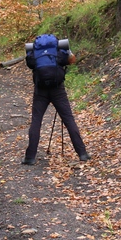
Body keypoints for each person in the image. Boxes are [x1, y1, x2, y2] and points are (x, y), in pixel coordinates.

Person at [22, 34, 90, 165]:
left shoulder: (35, 51)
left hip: (40, 91)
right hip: (58, 90)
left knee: (36, 121)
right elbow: (71, 60)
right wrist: (68, 51)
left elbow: (30, 64)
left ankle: (30, 157)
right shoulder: (58, 50)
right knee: (69, 120)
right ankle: (82, 153)